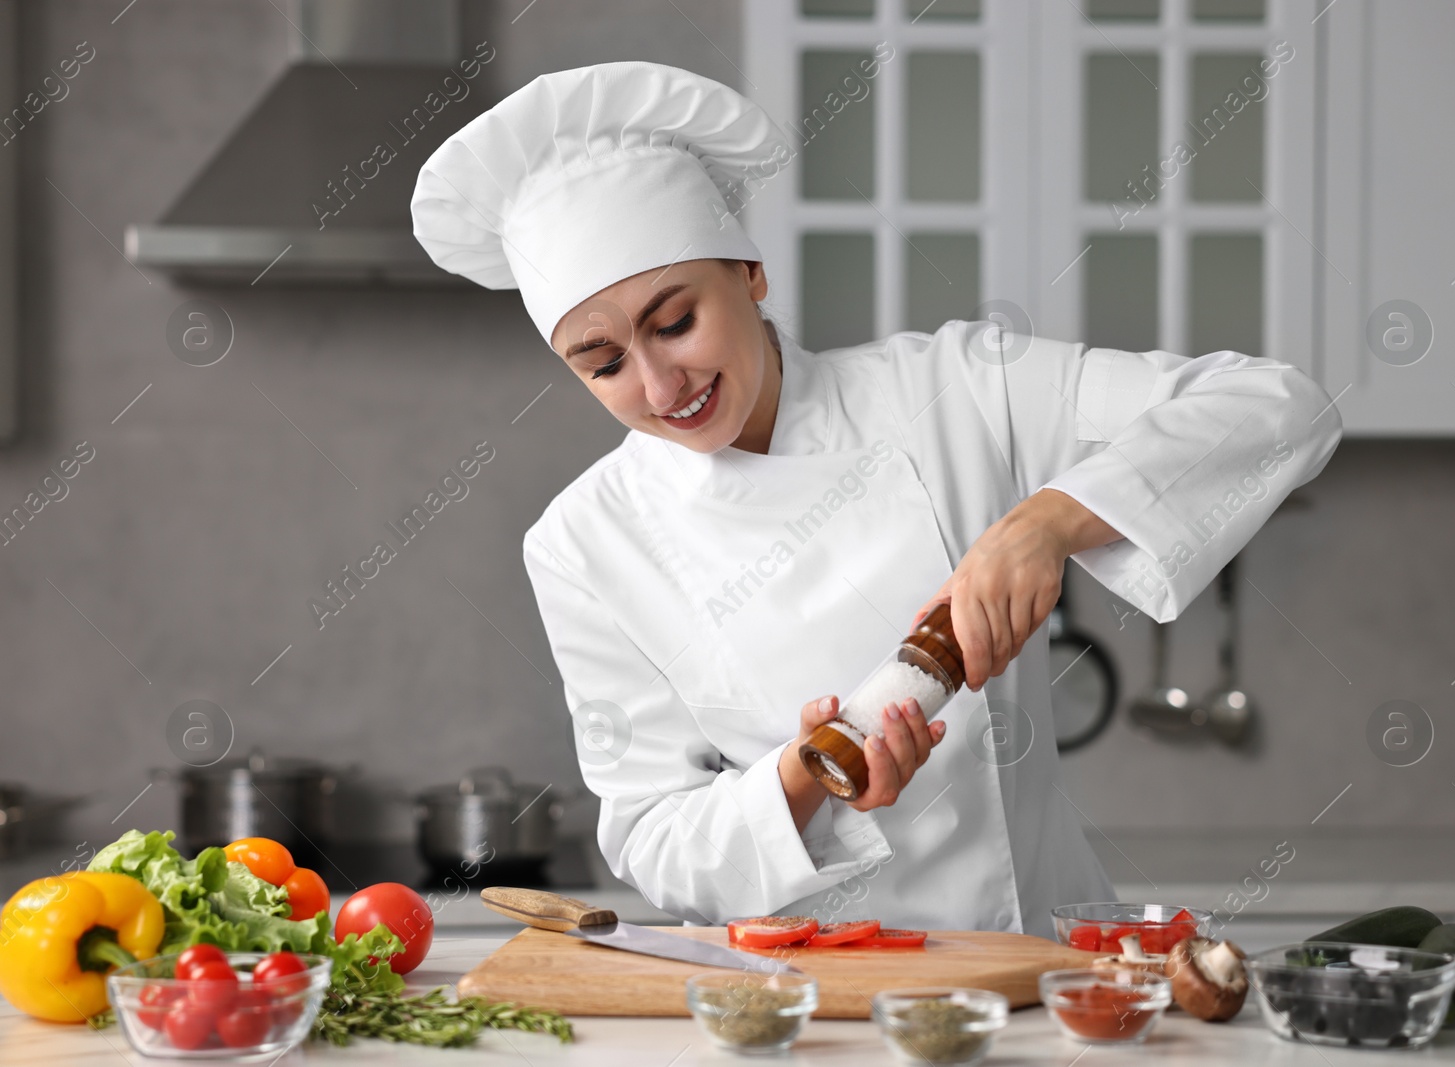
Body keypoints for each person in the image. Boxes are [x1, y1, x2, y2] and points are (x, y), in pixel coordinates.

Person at [412, 61, 1342, 937]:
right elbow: (653, 838)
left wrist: (1048, 519)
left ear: (748, 272)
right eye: (606, 363)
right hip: (808, 1005)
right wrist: (803, 779)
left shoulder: (955, 388)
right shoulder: (584, 542)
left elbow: (1279, 407)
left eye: (676, 321)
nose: (661, 387)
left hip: (1039, 966)